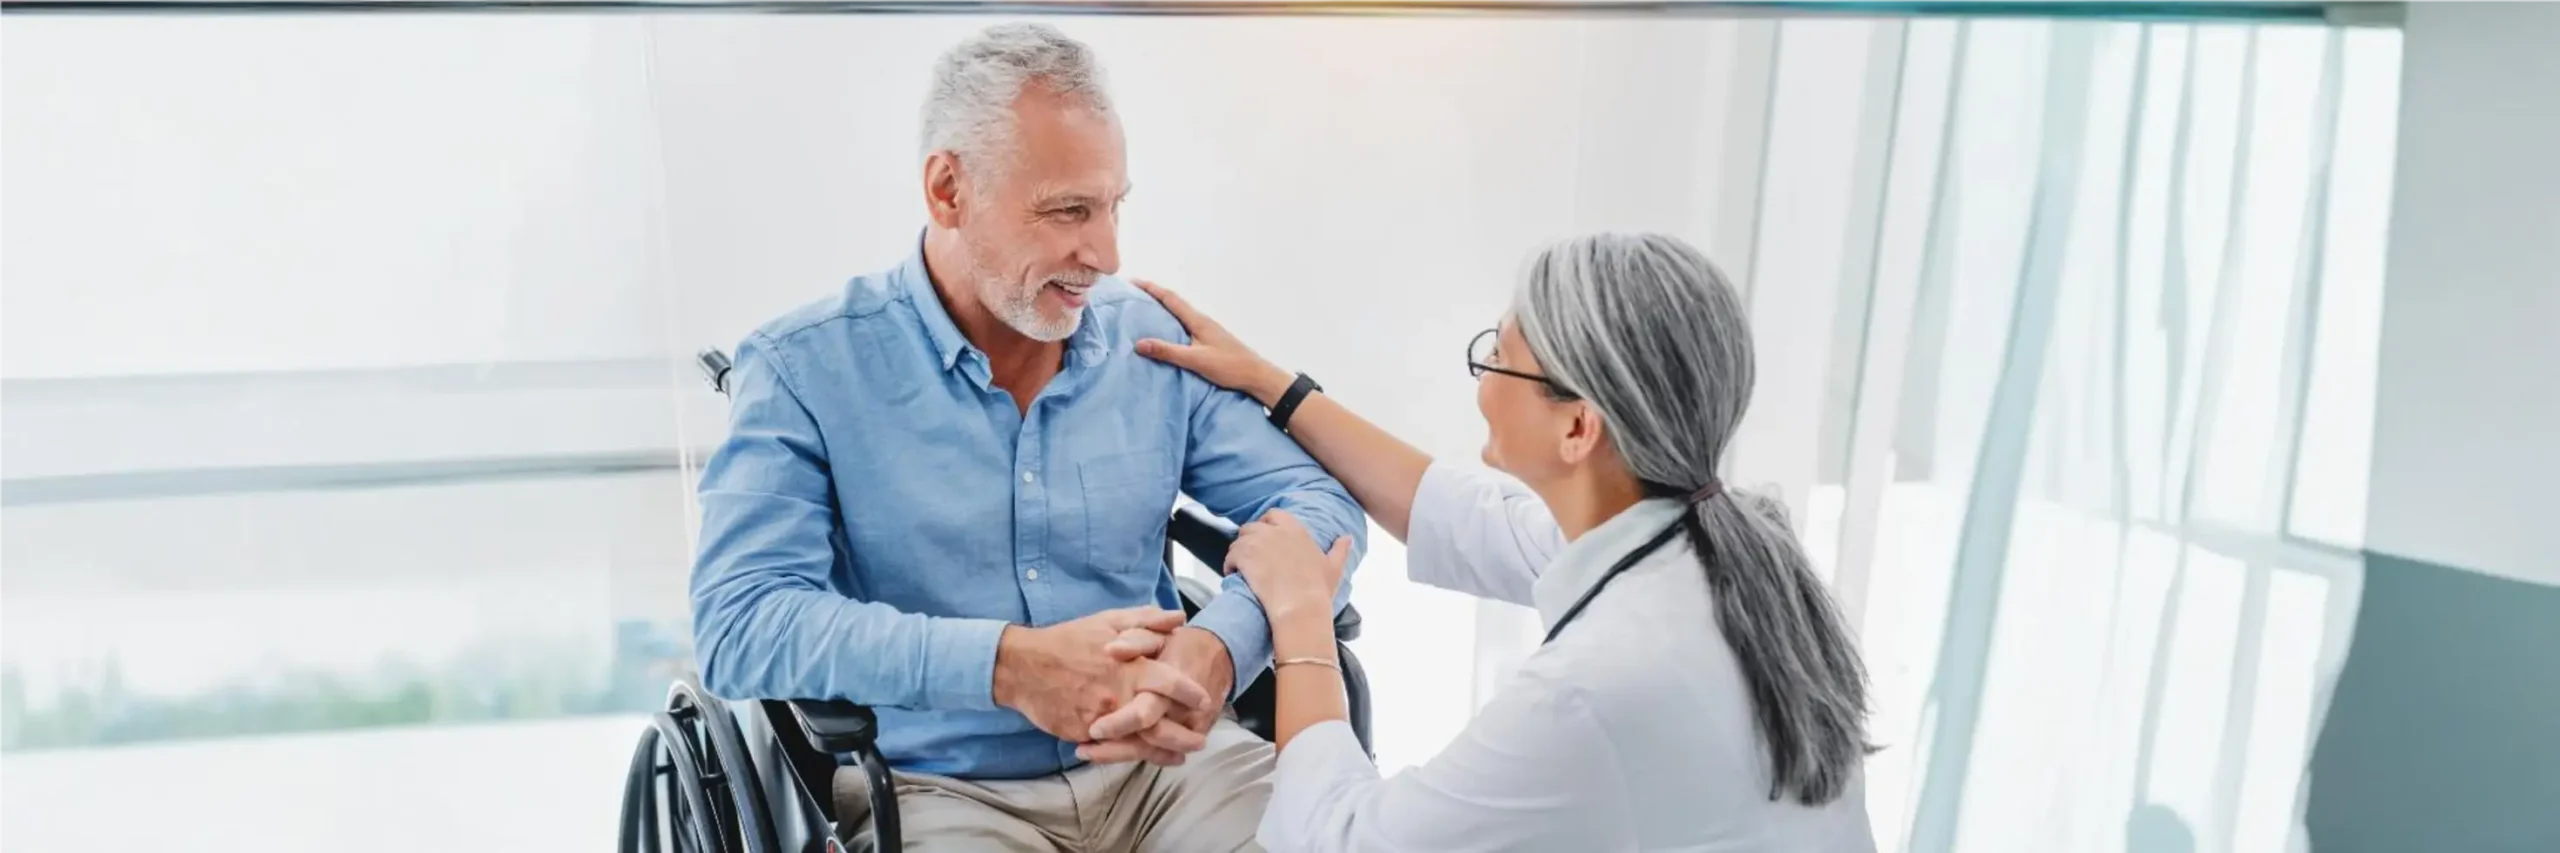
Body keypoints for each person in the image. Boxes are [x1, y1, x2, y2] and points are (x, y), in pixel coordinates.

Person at [686, 23, 1367, 852]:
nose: (1106, 252)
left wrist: (1220, 645)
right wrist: (1008, 665)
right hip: (946, 790)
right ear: (947, 190)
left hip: (1172, 770)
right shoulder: (805, 369)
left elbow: (1319, 503)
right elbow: (738, 621)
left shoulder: (1146, 341)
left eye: (1114, 205)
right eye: (1067, 211)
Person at [1098, 233, 1879, 851]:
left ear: (1578, 427)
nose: (1480, 384)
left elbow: (1344, 841)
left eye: (1497, 358)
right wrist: (1275, 385)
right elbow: (1456, 511)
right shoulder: (1714, 547)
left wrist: (1304, 622)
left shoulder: (1592, 691)